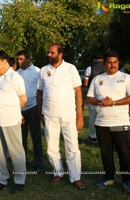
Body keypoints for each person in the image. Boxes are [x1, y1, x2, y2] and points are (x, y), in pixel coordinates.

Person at [87, 50, 130, 195]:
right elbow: (89, 98)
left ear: (118, 63)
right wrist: (99, 102)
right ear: (104, 64)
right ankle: (108, 177)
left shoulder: (126, 77)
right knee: (106, 154)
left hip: (120, 122)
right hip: (102, 123)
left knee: (124, 154)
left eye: (115, 62)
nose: (112, 65)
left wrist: (114, 103)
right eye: (109, 62)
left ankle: (128, 181)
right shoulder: (97, 79)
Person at [37, 43, 86, 190]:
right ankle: (57, 172)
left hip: (69, 115)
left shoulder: (70, 68)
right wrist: (40, 113)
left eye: (52, 53)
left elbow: (78, 92)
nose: (49, 55)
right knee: (52, 147)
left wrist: (80, 116)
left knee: (72, 147)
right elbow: (39, 93)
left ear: (60, 54)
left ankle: (75, 177)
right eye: (48, 52)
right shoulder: (44, 70)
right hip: (49, 115)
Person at [0, 51, 27, 193]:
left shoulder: (15, 77)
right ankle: (2, 179)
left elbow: (23, 99)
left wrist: (13, 113)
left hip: (11, 121)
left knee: (16, 152)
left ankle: (19, 181)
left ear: (5, 61)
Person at [16, 50, 43, 171]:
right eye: (18, 59)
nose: (19, 61)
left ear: (28, 59)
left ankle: (38, 163)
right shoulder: (17, 73)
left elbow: (42, 89)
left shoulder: (37, 71)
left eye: (21, 59)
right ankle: (23, 161)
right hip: (20, 110)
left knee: (36, 137)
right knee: (21, 137)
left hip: (33, 108)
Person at [83, 53, 104, 144]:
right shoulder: (107, 68)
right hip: (106, 96)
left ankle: (93, 136)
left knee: (92, 117)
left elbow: (85, 83)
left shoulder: (89, 68)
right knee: (104, 117)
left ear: (94, 59)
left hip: (94, 96)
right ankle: (103, 137)